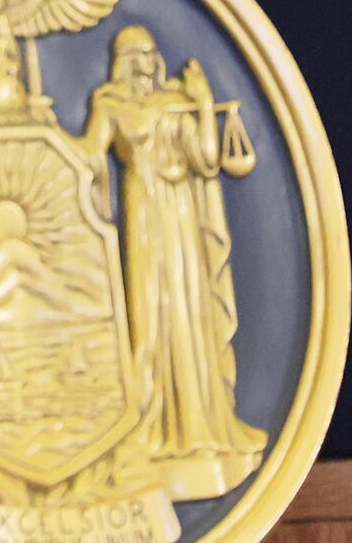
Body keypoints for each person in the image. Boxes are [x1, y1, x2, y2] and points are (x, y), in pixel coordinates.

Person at [79, 25, 267, 499]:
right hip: (142, 216)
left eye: (151, 53)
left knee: (190, 313)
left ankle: (200, 425)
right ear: (121, 61)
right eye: (135, 55)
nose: (146, 62)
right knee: (150, 318)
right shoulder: (109, 104)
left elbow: (207, 160)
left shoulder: (176, 102)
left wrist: (204, 105)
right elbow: (87, 157)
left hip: (181, 216)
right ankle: (150, 422)